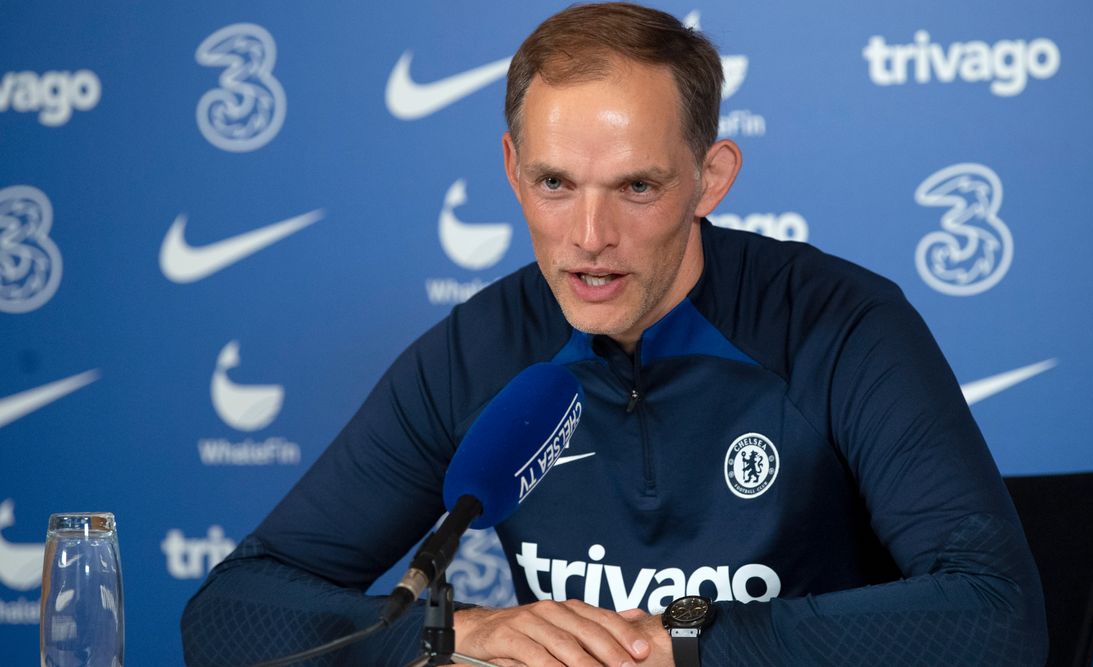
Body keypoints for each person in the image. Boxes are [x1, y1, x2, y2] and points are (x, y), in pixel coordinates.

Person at [182, 3, 1048, 665]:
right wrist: (459, 629)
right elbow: (229, 611)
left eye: (637, 187)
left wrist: (683, 638)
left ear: (712, 178)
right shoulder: (477, 349)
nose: (590, 237)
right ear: (513, 172)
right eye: (556, 183)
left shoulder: (840, 323)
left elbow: (996, 613)